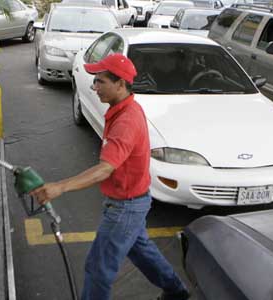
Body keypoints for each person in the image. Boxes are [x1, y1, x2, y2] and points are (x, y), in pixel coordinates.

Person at [30, 53, 190, 300]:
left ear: (120, 83)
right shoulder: (123, 109)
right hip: (134, 201)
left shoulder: (126, 121)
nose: (94, 87)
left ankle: (175, 291)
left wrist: (60, 187)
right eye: (95, 81)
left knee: (98, 269)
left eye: (101, 81)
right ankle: (176, 292)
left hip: (125, 208)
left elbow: (105, 168)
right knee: (142, 252)